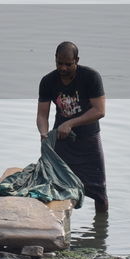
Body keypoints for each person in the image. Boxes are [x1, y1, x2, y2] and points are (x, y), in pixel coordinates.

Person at [37, 42, 108, 212]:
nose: (63, 68)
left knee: (99, 191)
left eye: (68, 64)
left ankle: (100, 231)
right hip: (61, 142)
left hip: (88, 140)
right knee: (57, 186)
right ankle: (56, 228)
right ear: (55, 59)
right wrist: (44, 133)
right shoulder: (48, 81)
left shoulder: (91, 77)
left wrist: (70, 123)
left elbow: (99, 110)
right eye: (59, 63)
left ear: (77, 60)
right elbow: (41, 115)